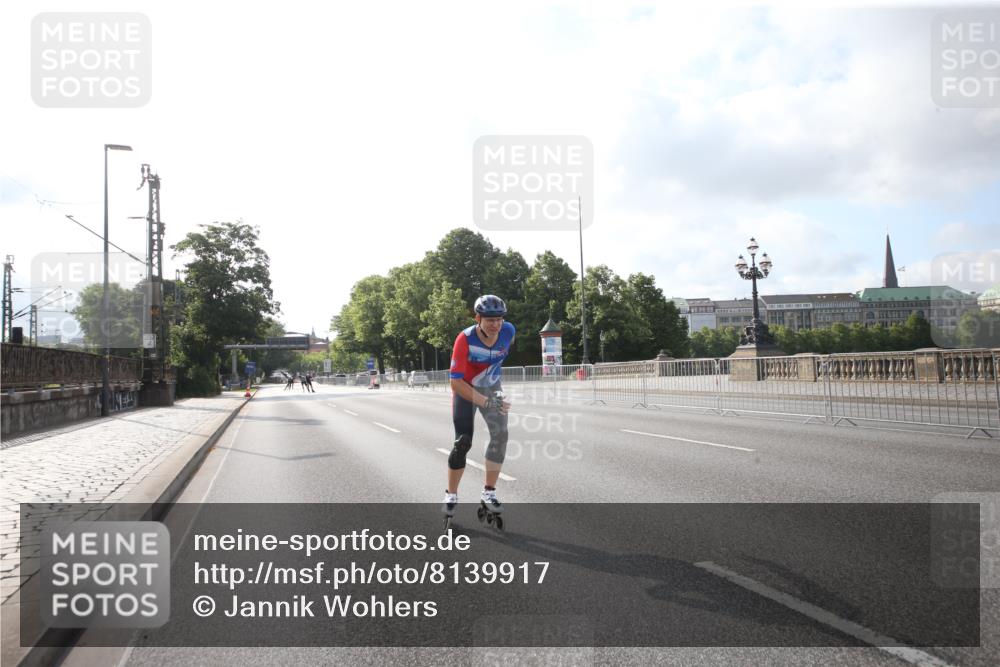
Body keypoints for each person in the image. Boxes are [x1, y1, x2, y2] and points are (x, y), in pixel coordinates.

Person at [442, 295, 515, 519]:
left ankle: (489, 493)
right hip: (465, 388)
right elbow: (455, 381)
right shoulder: (464, 339)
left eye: (499, 319)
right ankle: (451, 495)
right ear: (478, 318)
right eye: (489, 320)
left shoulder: (508, 331)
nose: (495, 325)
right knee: (462, 441)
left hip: (492, 386)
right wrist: (485, 401)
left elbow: (496, 362)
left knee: (501, 435)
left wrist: (495, 393)